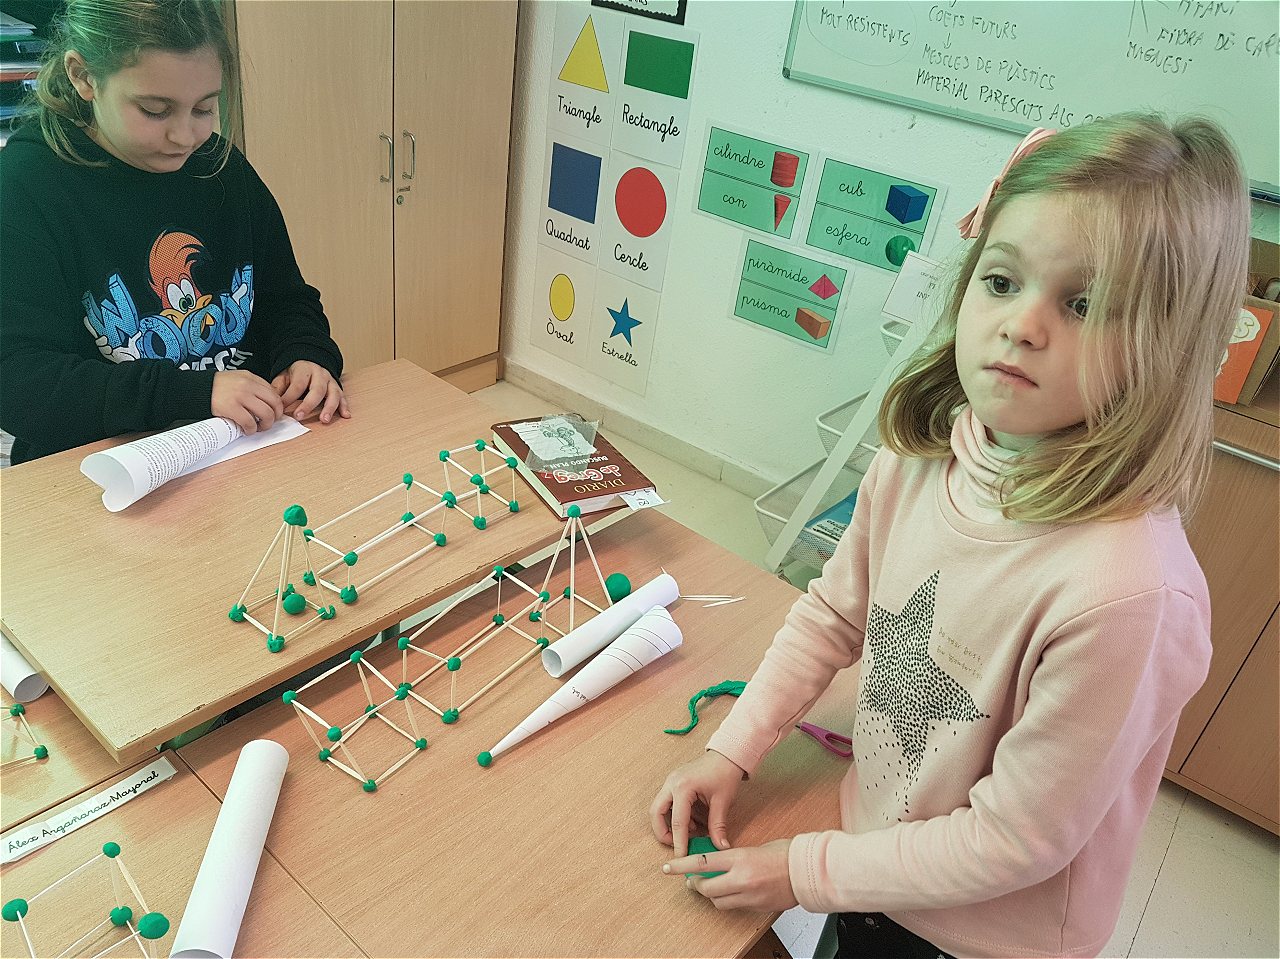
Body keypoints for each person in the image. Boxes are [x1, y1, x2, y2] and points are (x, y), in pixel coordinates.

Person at [651, 113, 1250, 959]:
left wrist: (801, 869)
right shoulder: (921, 459)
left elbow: (1013, 840)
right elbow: (832, 614)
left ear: (1168, 343)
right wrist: (732, 750)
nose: (1023, 325)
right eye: (1002, 280)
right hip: (875, 864)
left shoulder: (1131, 596)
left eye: (1083, 303)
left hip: (983, 936)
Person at [0, 0, 348, 467]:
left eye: (204, 108)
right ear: (83, 77)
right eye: (155, 110)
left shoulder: (220, 168)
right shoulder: (24, 187)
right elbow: (20, 382)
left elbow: (285, 297)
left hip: (244, 447)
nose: (185, 137)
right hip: (100, 466)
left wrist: (305, 354)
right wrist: (193, 393)